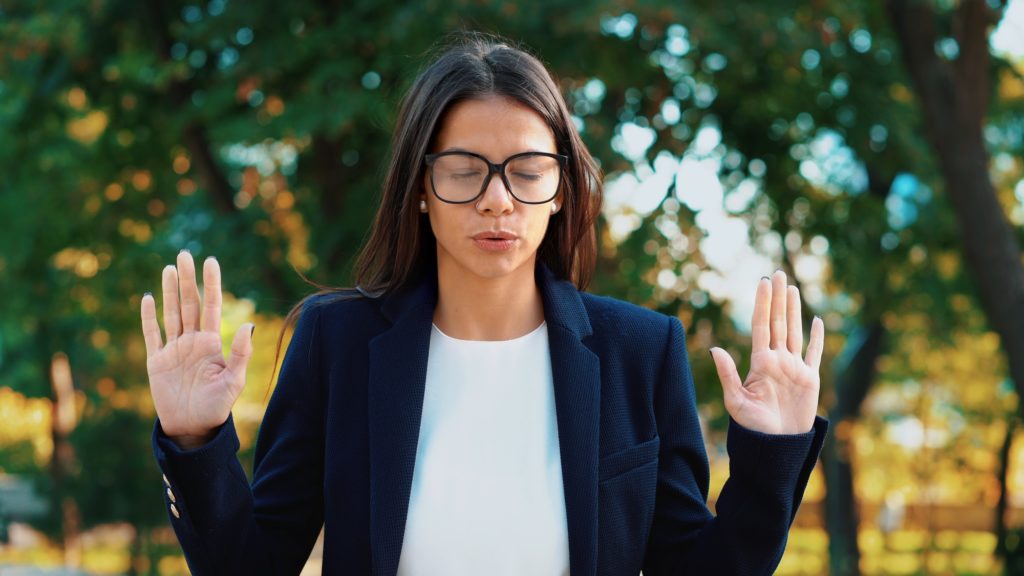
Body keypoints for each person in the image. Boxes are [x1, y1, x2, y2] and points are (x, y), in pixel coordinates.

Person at [140, 33, 828, 576]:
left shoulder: (638, 352)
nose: (498, 199)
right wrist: (196, 441)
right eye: (466, 172)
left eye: (527, 172)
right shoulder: (337, 342)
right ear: (420, 186)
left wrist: (773, 452)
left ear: (560, 188)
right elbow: (251, 564)